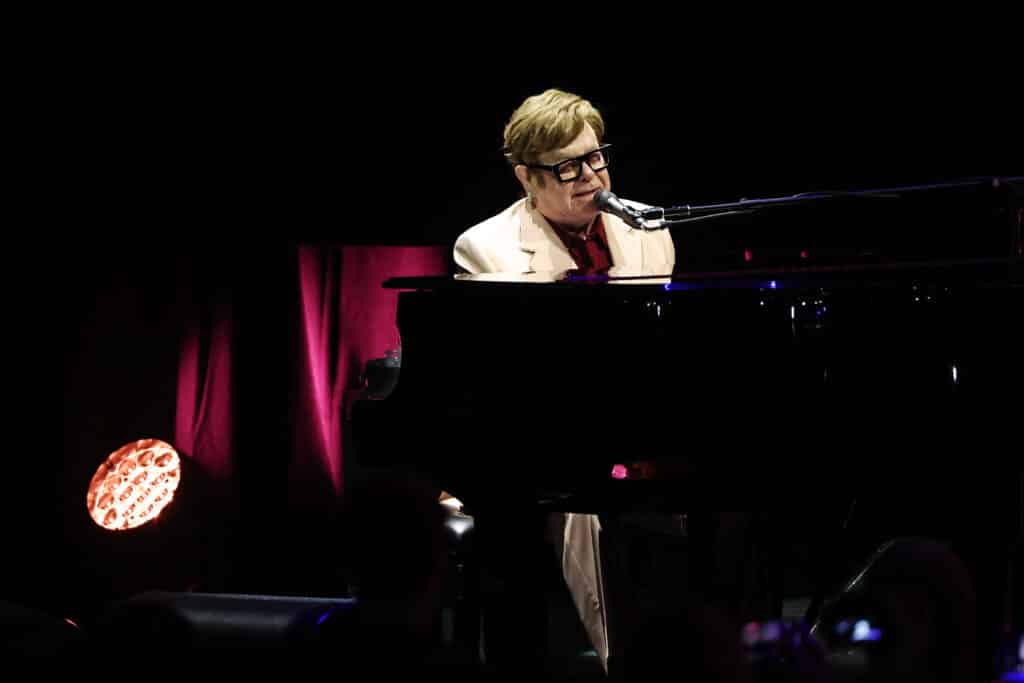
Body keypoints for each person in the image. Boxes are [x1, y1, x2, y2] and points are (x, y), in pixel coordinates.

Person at [451, 88, 676, 673]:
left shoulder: (649, 228)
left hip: (639, 423)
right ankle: (614, 659)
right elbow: (504, 378)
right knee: (574, 504)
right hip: (541, 435)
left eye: (594, 157)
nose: (588, 176)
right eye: (566, 167)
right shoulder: (485, 247)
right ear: (527, 178)